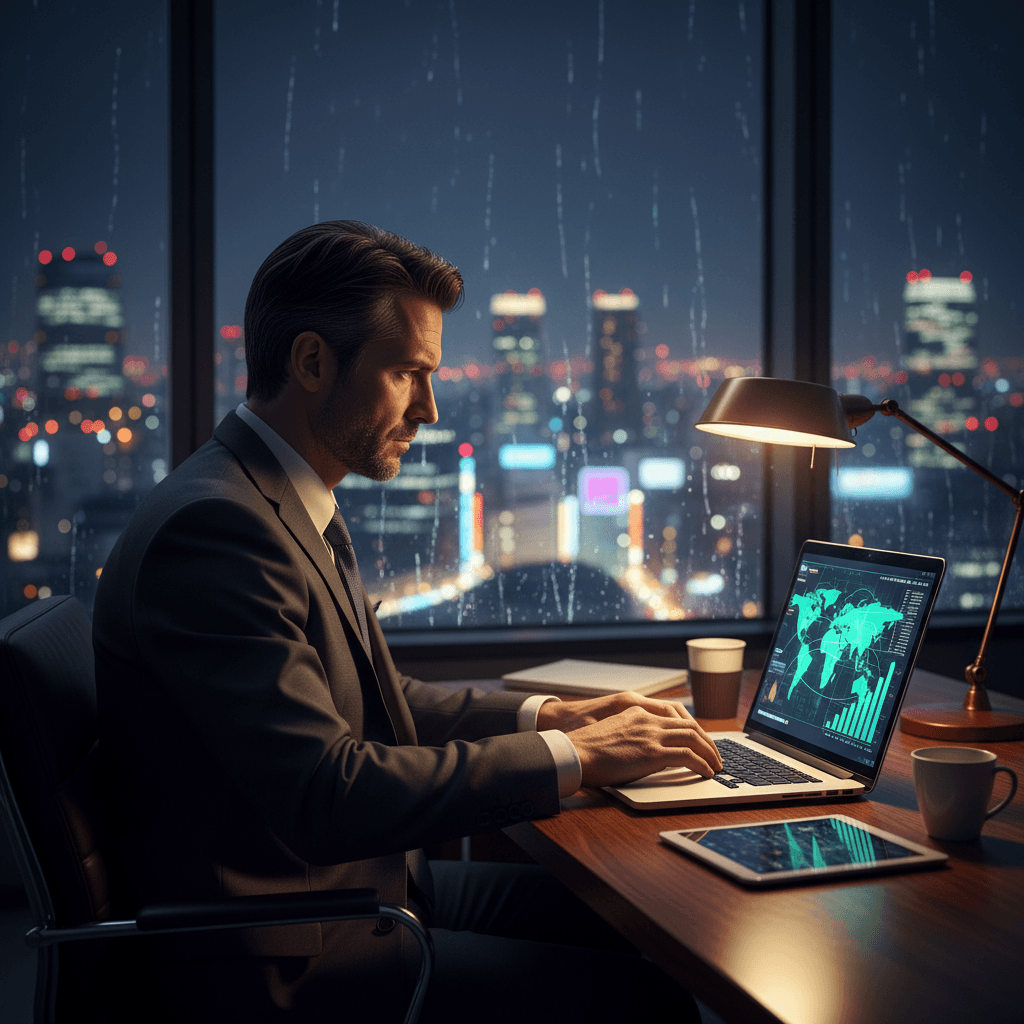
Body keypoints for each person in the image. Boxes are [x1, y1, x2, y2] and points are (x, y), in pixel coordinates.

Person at [93, 221, 721, 1023]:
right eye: (406, 373)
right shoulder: (218, 531)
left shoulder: (274, 499)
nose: (428, 406)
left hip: (351, 895)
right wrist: (574, 758)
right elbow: (327, 794)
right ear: (313, 361)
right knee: (646, 998)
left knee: (629, 922)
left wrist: (552, 718)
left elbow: (375, 701)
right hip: (285, 952)